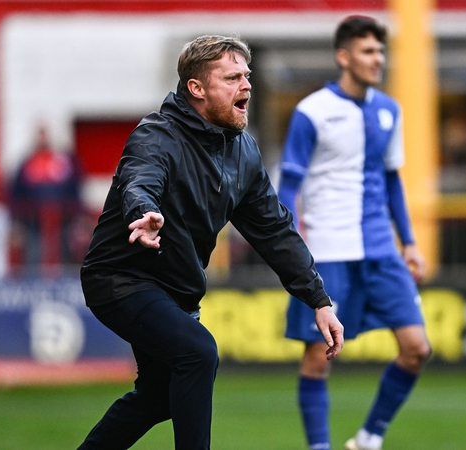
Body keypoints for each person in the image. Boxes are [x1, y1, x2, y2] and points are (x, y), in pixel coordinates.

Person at [77, 35, 344, 450]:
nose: (247, 86)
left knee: (158, 397)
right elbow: (140, 179)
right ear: (196, 89)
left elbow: (275, 231)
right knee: (198, 352)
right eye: (232, 77)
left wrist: (319, 299)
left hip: (176, 290)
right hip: (121, 278)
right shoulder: (156, 135)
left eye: (247, 76)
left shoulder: (244, 152)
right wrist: (142, 213)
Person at [278, 16, 432, 450]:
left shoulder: (389, 110)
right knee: (317, 355)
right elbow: (289, 184)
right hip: (327, 250)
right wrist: (292, 248)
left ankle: (368, 438)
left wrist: (411, 242)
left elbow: (392, 181)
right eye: (368, 51)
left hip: (381, 249)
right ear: (343, 57)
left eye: (381, 51)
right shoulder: (312, 112)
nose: (377, 59)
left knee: (417, 347)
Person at [9, 125, 83, 272]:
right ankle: (33, 285)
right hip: (32, 220)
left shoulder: (63, 161)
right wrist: (18, 217)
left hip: (63, 218)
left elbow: (75, 187)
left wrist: (77, 214)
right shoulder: (28, 162)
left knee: (63, 250)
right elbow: (16, 191)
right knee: (34, 252)